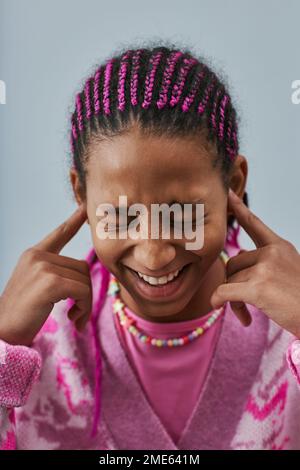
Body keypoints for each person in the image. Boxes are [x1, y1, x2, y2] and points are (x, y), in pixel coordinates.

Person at [1, 41, 300, 450]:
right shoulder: (33, 342)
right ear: (81, 193)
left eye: (183, 214)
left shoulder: (289, 329)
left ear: (233, 184)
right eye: (121, 216)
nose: (154, 253)